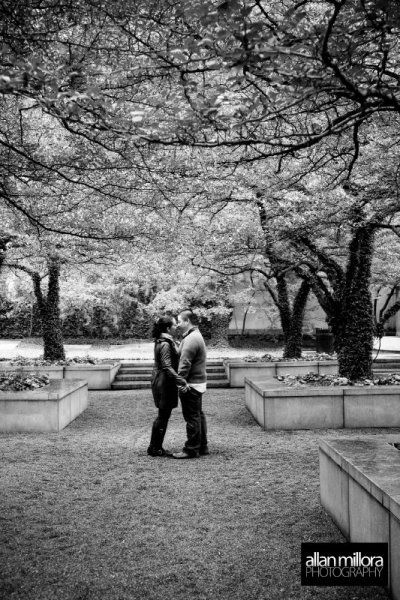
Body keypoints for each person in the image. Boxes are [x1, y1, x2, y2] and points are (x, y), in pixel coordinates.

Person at [147, 315, 189, 457]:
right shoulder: (165, 343)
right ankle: (155, 448)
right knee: (163, 415)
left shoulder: (163, 340)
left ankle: (155, 446)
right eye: (174, 325)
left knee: (163, 415)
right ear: (167, 328)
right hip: (164, 383)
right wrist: (180, 379)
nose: (176, 326)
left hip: (162, 380)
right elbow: (166, 366)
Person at [172, 310, 209, 459]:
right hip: (197, 382)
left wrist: (180, 382)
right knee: (198, 415)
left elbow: (184, 364)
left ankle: (191, 449)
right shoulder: (194, 336)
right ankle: (202, 446)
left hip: (191, 384)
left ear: (187, 321)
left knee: (192, 417)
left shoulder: (191, 339)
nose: (178, 324)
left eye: (180, 321)